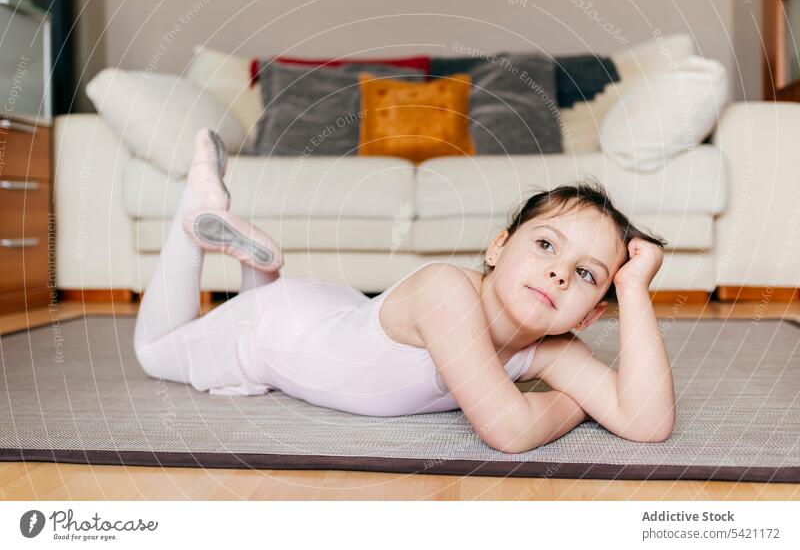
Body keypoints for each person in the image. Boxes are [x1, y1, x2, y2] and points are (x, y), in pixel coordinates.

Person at [134, 128, 676, 454]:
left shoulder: (552, 345)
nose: (560, 272)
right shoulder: (445, 291)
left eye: (587, 275)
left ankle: (262, 269)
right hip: (275, 330)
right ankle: (196, 204)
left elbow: (647, 423)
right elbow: (509, 429)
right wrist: (578, 404)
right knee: (155, 352)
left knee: (310, 342)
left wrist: (632, 289)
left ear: (588, 316)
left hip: (332, 317)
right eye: (545, 245)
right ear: (497, 248)